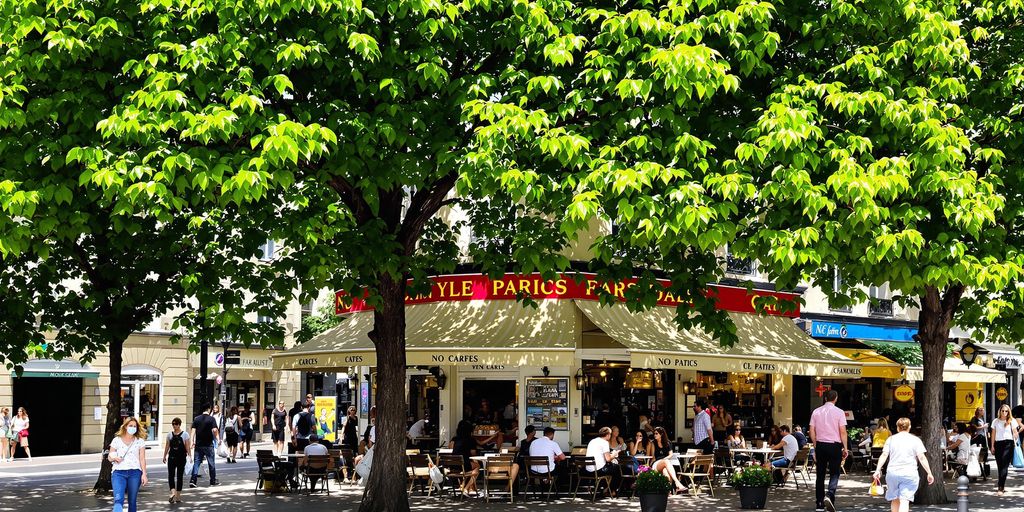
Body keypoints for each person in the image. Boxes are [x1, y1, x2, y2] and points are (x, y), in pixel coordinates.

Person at [873, 418, 934, 512]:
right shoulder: (915, 440)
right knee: (905, 501)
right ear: (909, 427)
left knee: (895, 499)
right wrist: (929, 473)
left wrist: (877, 470)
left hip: (892, 473)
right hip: (909, 473)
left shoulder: (891, 439)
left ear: (897, 428)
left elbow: (884, 455)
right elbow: (922, 457)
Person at [809, 389, 848, 512]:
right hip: (834, 445)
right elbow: (842, 431)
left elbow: (811, 430)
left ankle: (819, 503)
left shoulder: (816, 411)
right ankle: (830, 494)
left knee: (820, 475)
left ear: (825, 398)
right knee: (834, 472)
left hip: (821, 445)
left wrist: (815, 445)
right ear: (835, 398)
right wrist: (845, 447)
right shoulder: (839, 412)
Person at [108, 416, 148, 512]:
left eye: (135, 426)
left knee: (132, 501)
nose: (133, 428)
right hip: (118, 473)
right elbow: (109, 456)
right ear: (125, 426)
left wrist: (144, 474)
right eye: (130, 425)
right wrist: (114, 458)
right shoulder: (116, 440)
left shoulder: (140, 441)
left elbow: (142, 459)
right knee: (118, 500)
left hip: (135, 473)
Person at [990, 404, 1021, 496]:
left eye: (1006, 411)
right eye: (1003, 411)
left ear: (1009, 412)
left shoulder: (1012, 421)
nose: (1004, 412)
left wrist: (1016, 435)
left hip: (1008, 444)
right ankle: (1001, 483)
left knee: (1004, 466)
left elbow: (1015, 432)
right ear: (1000, 411)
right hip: (998, 444)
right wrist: (992, 446)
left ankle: (1001, 487)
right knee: (1000, 466)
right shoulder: (995, 421)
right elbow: (993, 434)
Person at [189, 403, 219, 488]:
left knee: (196, 463)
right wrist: (218, 439)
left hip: (199, 445)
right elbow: (214, 430)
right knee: (211, 463)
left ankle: (193, 480)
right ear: (209, 409)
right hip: (208, 445)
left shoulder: (196, 419)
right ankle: (212, 480)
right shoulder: (211, 419)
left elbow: (193, 432)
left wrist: (192, 441)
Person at [647, 426, 686, 493]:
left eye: (656, 433)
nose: (655, 435)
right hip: (656, 463)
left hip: (665, 462)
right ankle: (677, 482)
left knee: (666, 472)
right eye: (654, 433)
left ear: (661, 434)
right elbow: (653, 457)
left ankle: (667, 492)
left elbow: (671, 454)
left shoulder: (668, 443)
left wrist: (664, 459)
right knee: (666, 462)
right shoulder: (653, 443)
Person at [162, 417, 191, 503]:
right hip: (174, 457)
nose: (174, 426)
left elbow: (187, 446)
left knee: (178, 476)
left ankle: (176, 495)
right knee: (174, 476)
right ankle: (174, 494)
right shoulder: (170, 435)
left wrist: (190, 456)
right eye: (173, 424)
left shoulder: (184, 434)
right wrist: (164, 456)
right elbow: (167, 446)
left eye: (176, 424)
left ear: (179, 424)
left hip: (178, 458)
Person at [449, 420, 481, 496]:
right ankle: (466, 488)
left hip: (453, 465)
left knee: (468, 469)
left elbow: (450, 447)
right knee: (477, 467)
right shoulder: (470, 440)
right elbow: (473, 454)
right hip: (463, 463)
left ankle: (464, 486)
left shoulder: (455, 439)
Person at [585, 426, 618, 496]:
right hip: (597, 470)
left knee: (610, 468)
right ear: (608, 434)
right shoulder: (604, 442)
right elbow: (608, 459)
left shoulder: (592, 441)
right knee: (617, 469)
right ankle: (611, 490)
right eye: (610, 434)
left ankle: (604, 488)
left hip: (587, 470)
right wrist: (615, 454)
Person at [971, 406, 990, 478]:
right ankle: (978, 469)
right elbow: (974, 427)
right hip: (977, 437)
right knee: (978, 452)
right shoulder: (974, 418)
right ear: (978, 411)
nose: (983, 412)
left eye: (983, 410)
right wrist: (983, 426)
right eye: (982, 410)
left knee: (984, 452)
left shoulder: (982, 418)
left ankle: (985, 470)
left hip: (983, 436)